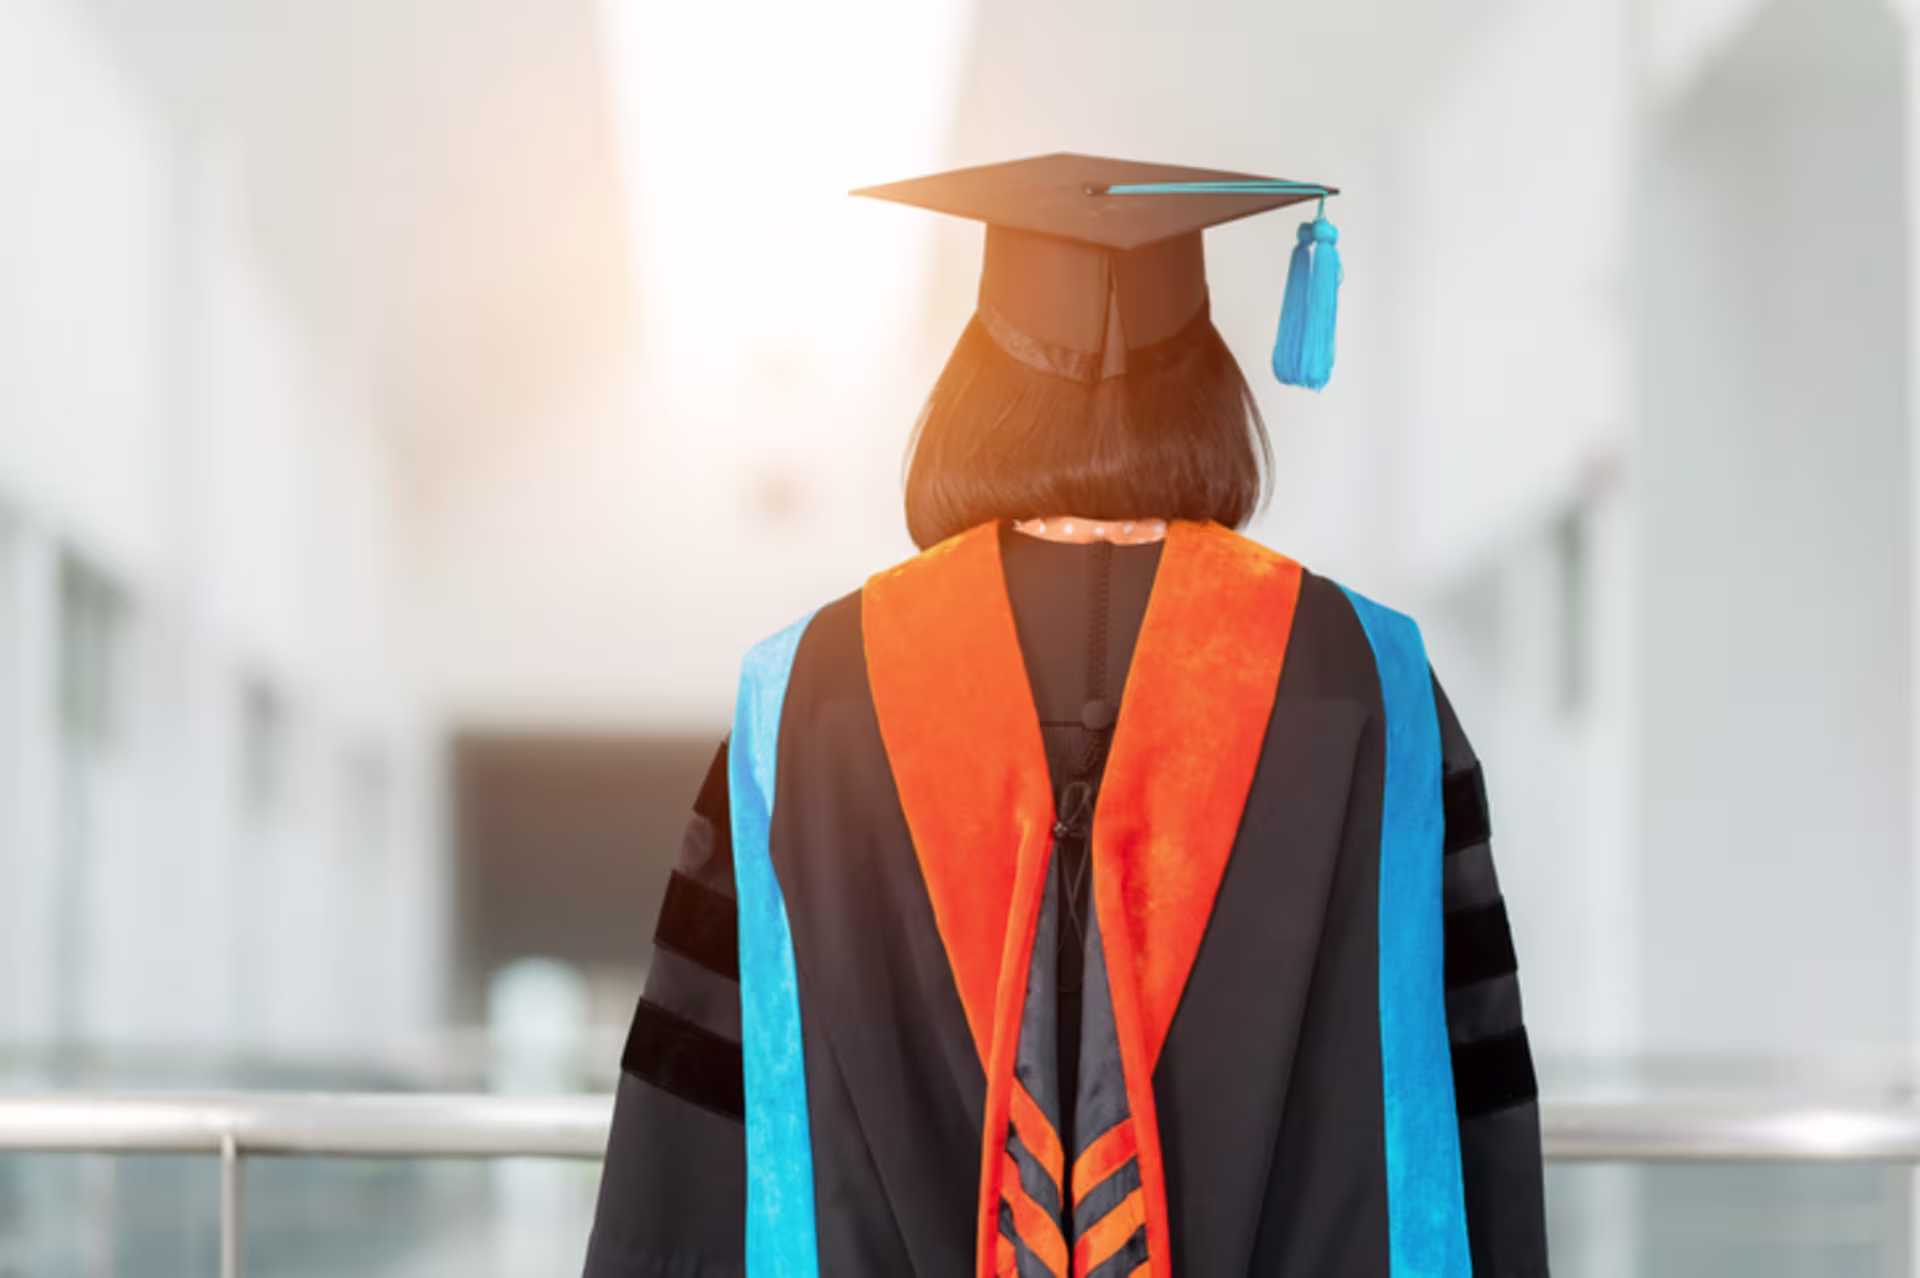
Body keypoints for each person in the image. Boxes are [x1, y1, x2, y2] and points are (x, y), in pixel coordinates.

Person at [583, 153, 1549, 1278]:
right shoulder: (1365, 680)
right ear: (1211, 382)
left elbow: (695, 1140)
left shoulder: (806, 694)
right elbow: (1463, 1088)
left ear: (975, 388)